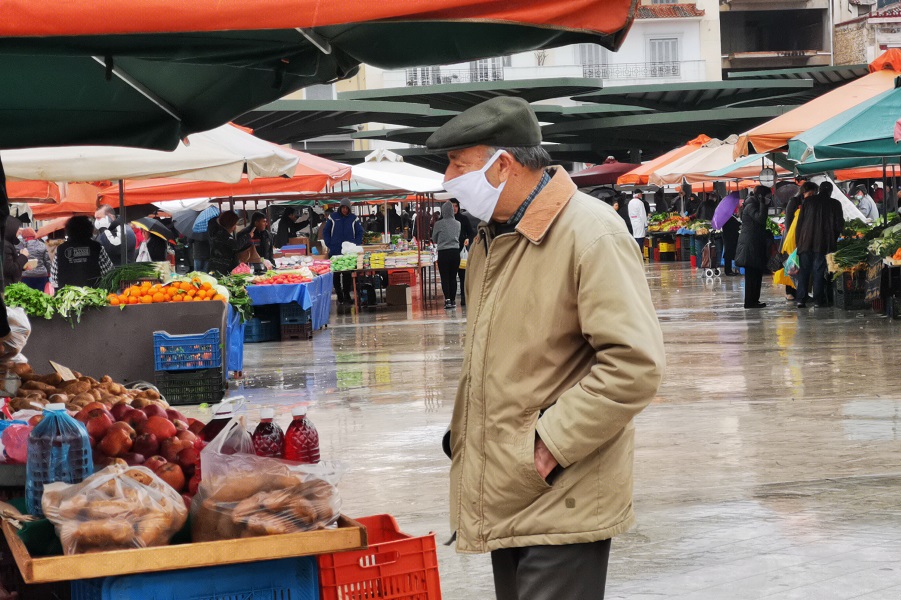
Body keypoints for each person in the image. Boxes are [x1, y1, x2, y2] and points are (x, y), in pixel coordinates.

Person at [426, 96, 665, 600]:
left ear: (503, 165)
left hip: (562, 490)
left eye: (458, 164)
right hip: (508, 483)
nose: (448, 177)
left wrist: (547, 446)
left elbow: (634, 364)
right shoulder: (491, 239)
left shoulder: (591, 233)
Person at [795, 181, 844, 308]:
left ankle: (801, 299)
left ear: (819, 190)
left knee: (804, 271)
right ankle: (817, 300)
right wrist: (834, 238)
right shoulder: (835, 204)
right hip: (823, 244)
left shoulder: (808, 202)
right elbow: (839, 225)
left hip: (805, 242)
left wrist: (798, 243)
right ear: (830, 191)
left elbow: (799, 224)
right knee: (818, 271)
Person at [51, 216, 114, 289]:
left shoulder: (61, 249)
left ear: (68, 230)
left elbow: (54, 276)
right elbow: (109, 272)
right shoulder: (97, 247)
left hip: (67, 296)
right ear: (89, 229)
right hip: (94, 295)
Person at [780, 182, 818, 299]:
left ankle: (802, 293)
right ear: (804, 191)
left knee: (800, 266)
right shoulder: (794, 201)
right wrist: (792, 237)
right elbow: (788, 221)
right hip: (792, 237)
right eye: (811, 193)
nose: (812, 195)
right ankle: (789, 292)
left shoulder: (810, 201)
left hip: (804, 237)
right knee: (792, 264)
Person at [735, 186, 772, 308]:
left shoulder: (753, 204)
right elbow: (761, 219)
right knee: (751, 275)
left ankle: (754, 300)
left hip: (755, 243)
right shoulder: (751, 205)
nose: (769, 198)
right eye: (767, 196)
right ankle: (750, 302)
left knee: (757, 273)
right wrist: (763, 204)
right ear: (760, 196)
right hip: (750, 245)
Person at [323, 199, 363, 304]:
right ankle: (339, 295)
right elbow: (326, 231)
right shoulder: (333, 217)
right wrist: (329, 244)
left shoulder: (354, 218)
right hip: (335, 250)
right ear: (340, 208)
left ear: (349, 208)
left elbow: (360, 232)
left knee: (347, 274)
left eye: (346, 208)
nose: (345, 210)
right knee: (336, 274)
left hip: (348, 252)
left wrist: (355, 244)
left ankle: (346, 294)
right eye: (343, 208)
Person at [431, 201, 462, 309]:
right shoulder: (458, 224)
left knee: (445, 277)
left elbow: (434, 238)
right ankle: (453, 300)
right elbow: (457, 235)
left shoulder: (438, 224)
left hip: (443, 252)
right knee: (453, 277)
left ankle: (447, 300)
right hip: (455, 252)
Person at [206, 211, 251, 275]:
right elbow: (236, 245)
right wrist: (247, 236)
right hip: (221, 270)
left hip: (215, 267)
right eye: (234, 224)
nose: (235, 227)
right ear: (229, 224)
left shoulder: (214, 230)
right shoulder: (222, 235)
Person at [450, 199, 475, 307]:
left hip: (462, 251)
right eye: (452, 206)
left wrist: (468, 239)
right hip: (451, 250)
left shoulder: (463, 219)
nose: (454, 208)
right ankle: (451, 298)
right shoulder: (446, 220)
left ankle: (464, 298)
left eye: (456, 206)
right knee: (451, 276)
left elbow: (471, 233)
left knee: (463, 276)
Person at [1, 217, 26, 291]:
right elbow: (10, 270)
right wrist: (23, 256)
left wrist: (23, 267)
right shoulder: (5, 246)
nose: (20, 232)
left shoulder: (6, 243)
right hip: (7, 287)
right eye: (17, 228)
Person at [721, 205, 741, 276]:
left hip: (729, 237)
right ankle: (728, 270)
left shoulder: (729, 217)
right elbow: (735, 225)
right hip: (729, 237)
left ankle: (729, 270)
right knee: (728, 254)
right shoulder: (728, 217)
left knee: (729, 253)